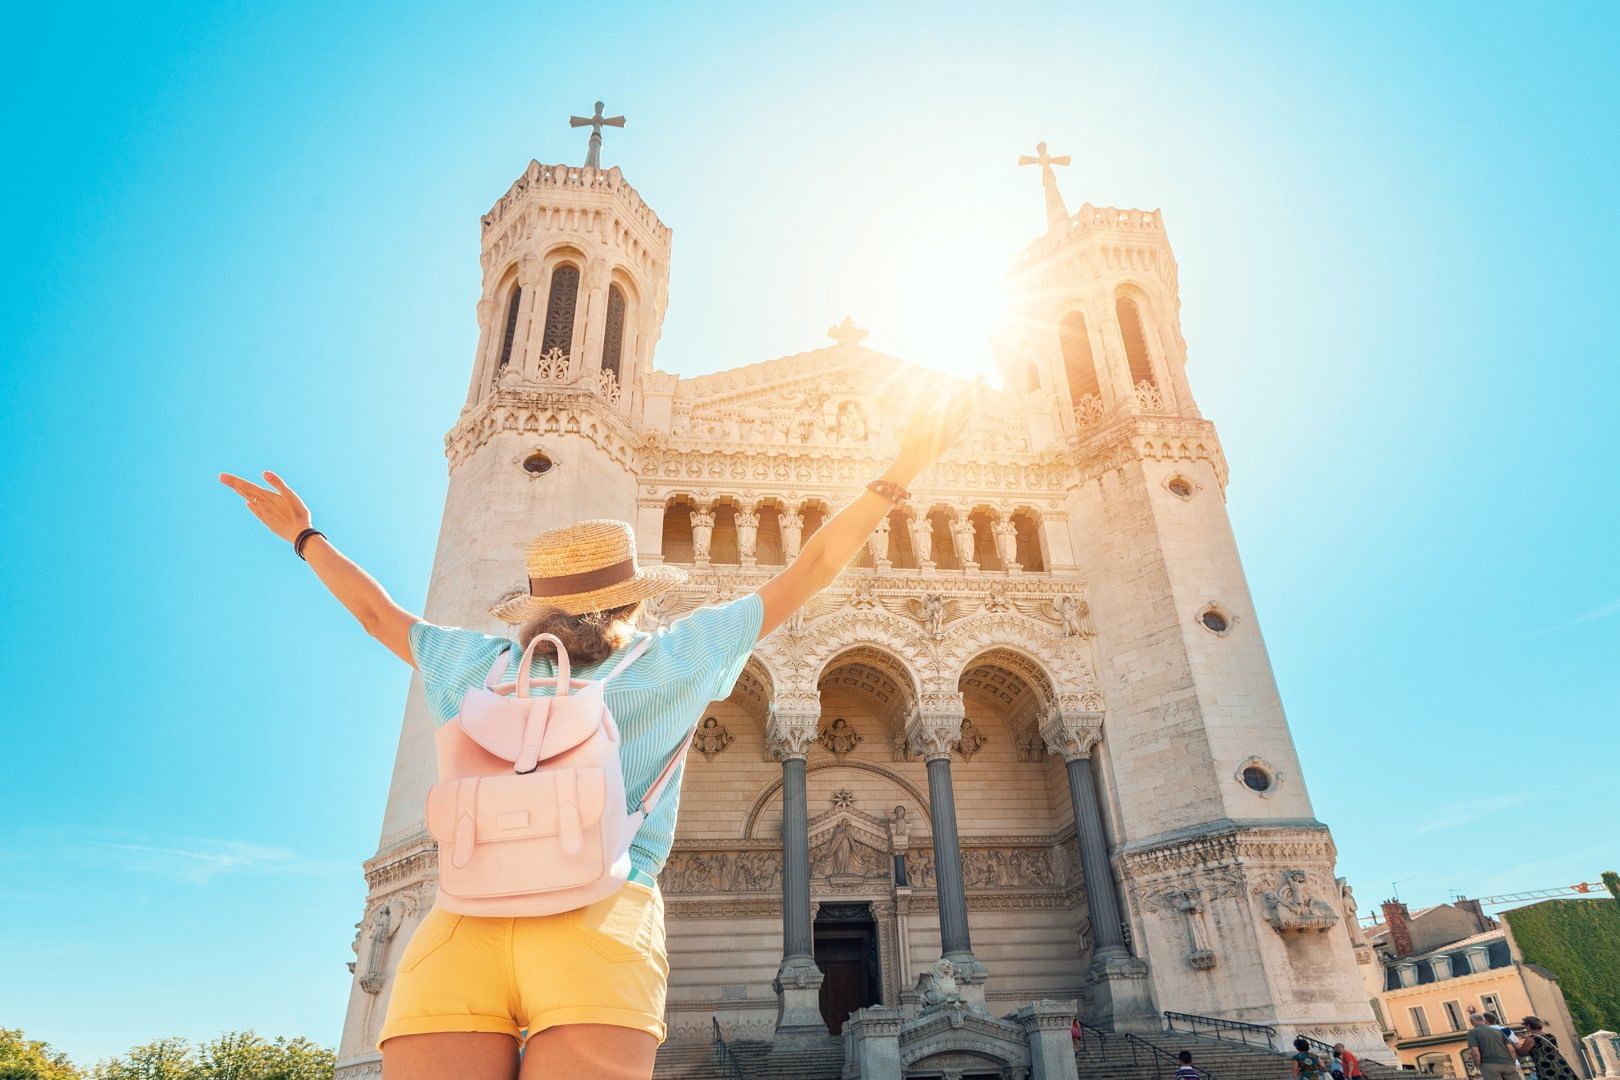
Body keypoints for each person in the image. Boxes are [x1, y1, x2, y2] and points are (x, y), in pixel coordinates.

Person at [220, 385, 977, 1080]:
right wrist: (901, 468)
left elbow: (377, 614)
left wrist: (304, 537)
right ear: (631, 602)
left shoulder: (480, 664)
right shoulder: (676, 658)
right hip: (598, 927)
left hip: (462, 924)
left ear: (536, 607)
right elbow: (812, 567)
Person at [1468, 1011, 1520, 1080]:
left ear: (1472, 1022)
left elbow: (1475, 1053)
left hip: (1489, 1065)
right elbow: (1512, 1050)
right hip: (1508, 1064)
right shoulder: (1499, 1031)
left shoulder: (1473, 1032)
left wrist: (1478, 1066)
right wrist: (1512, 1063)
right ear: (1483, 1020)